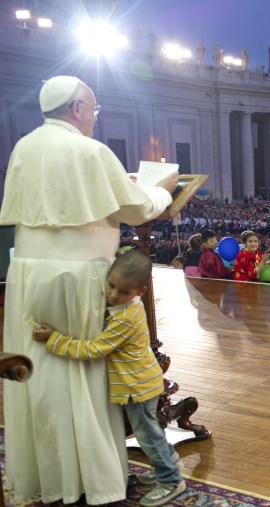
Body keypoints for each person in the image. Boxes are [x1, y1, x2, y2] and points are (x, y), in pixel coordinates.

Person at [0, 75, 177, 505]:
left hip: (27, 273)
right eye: (93, 110)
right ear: (77, 107)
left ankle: (52, 476)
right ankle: (94, 479)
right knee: (82, 373)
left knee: (41, 376)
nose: (94, 119)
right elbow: (135, 206)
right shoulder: (90, 150)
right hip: (78, 275)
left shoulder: (24, 146)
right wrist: (161, 189)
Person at [30, 251, 186, 507]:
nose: (114, 294)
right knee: (150, 431)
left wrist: (54, 339)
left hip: (138, 386)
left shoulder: (125, 317)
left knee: (147, 434)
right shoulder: (123, 307)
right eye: (111, 285)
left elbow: (94, 350)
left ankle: (171, 479)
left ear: (140, 291)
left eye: (123, 292)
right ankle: (169, 463)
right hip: (140, 381)